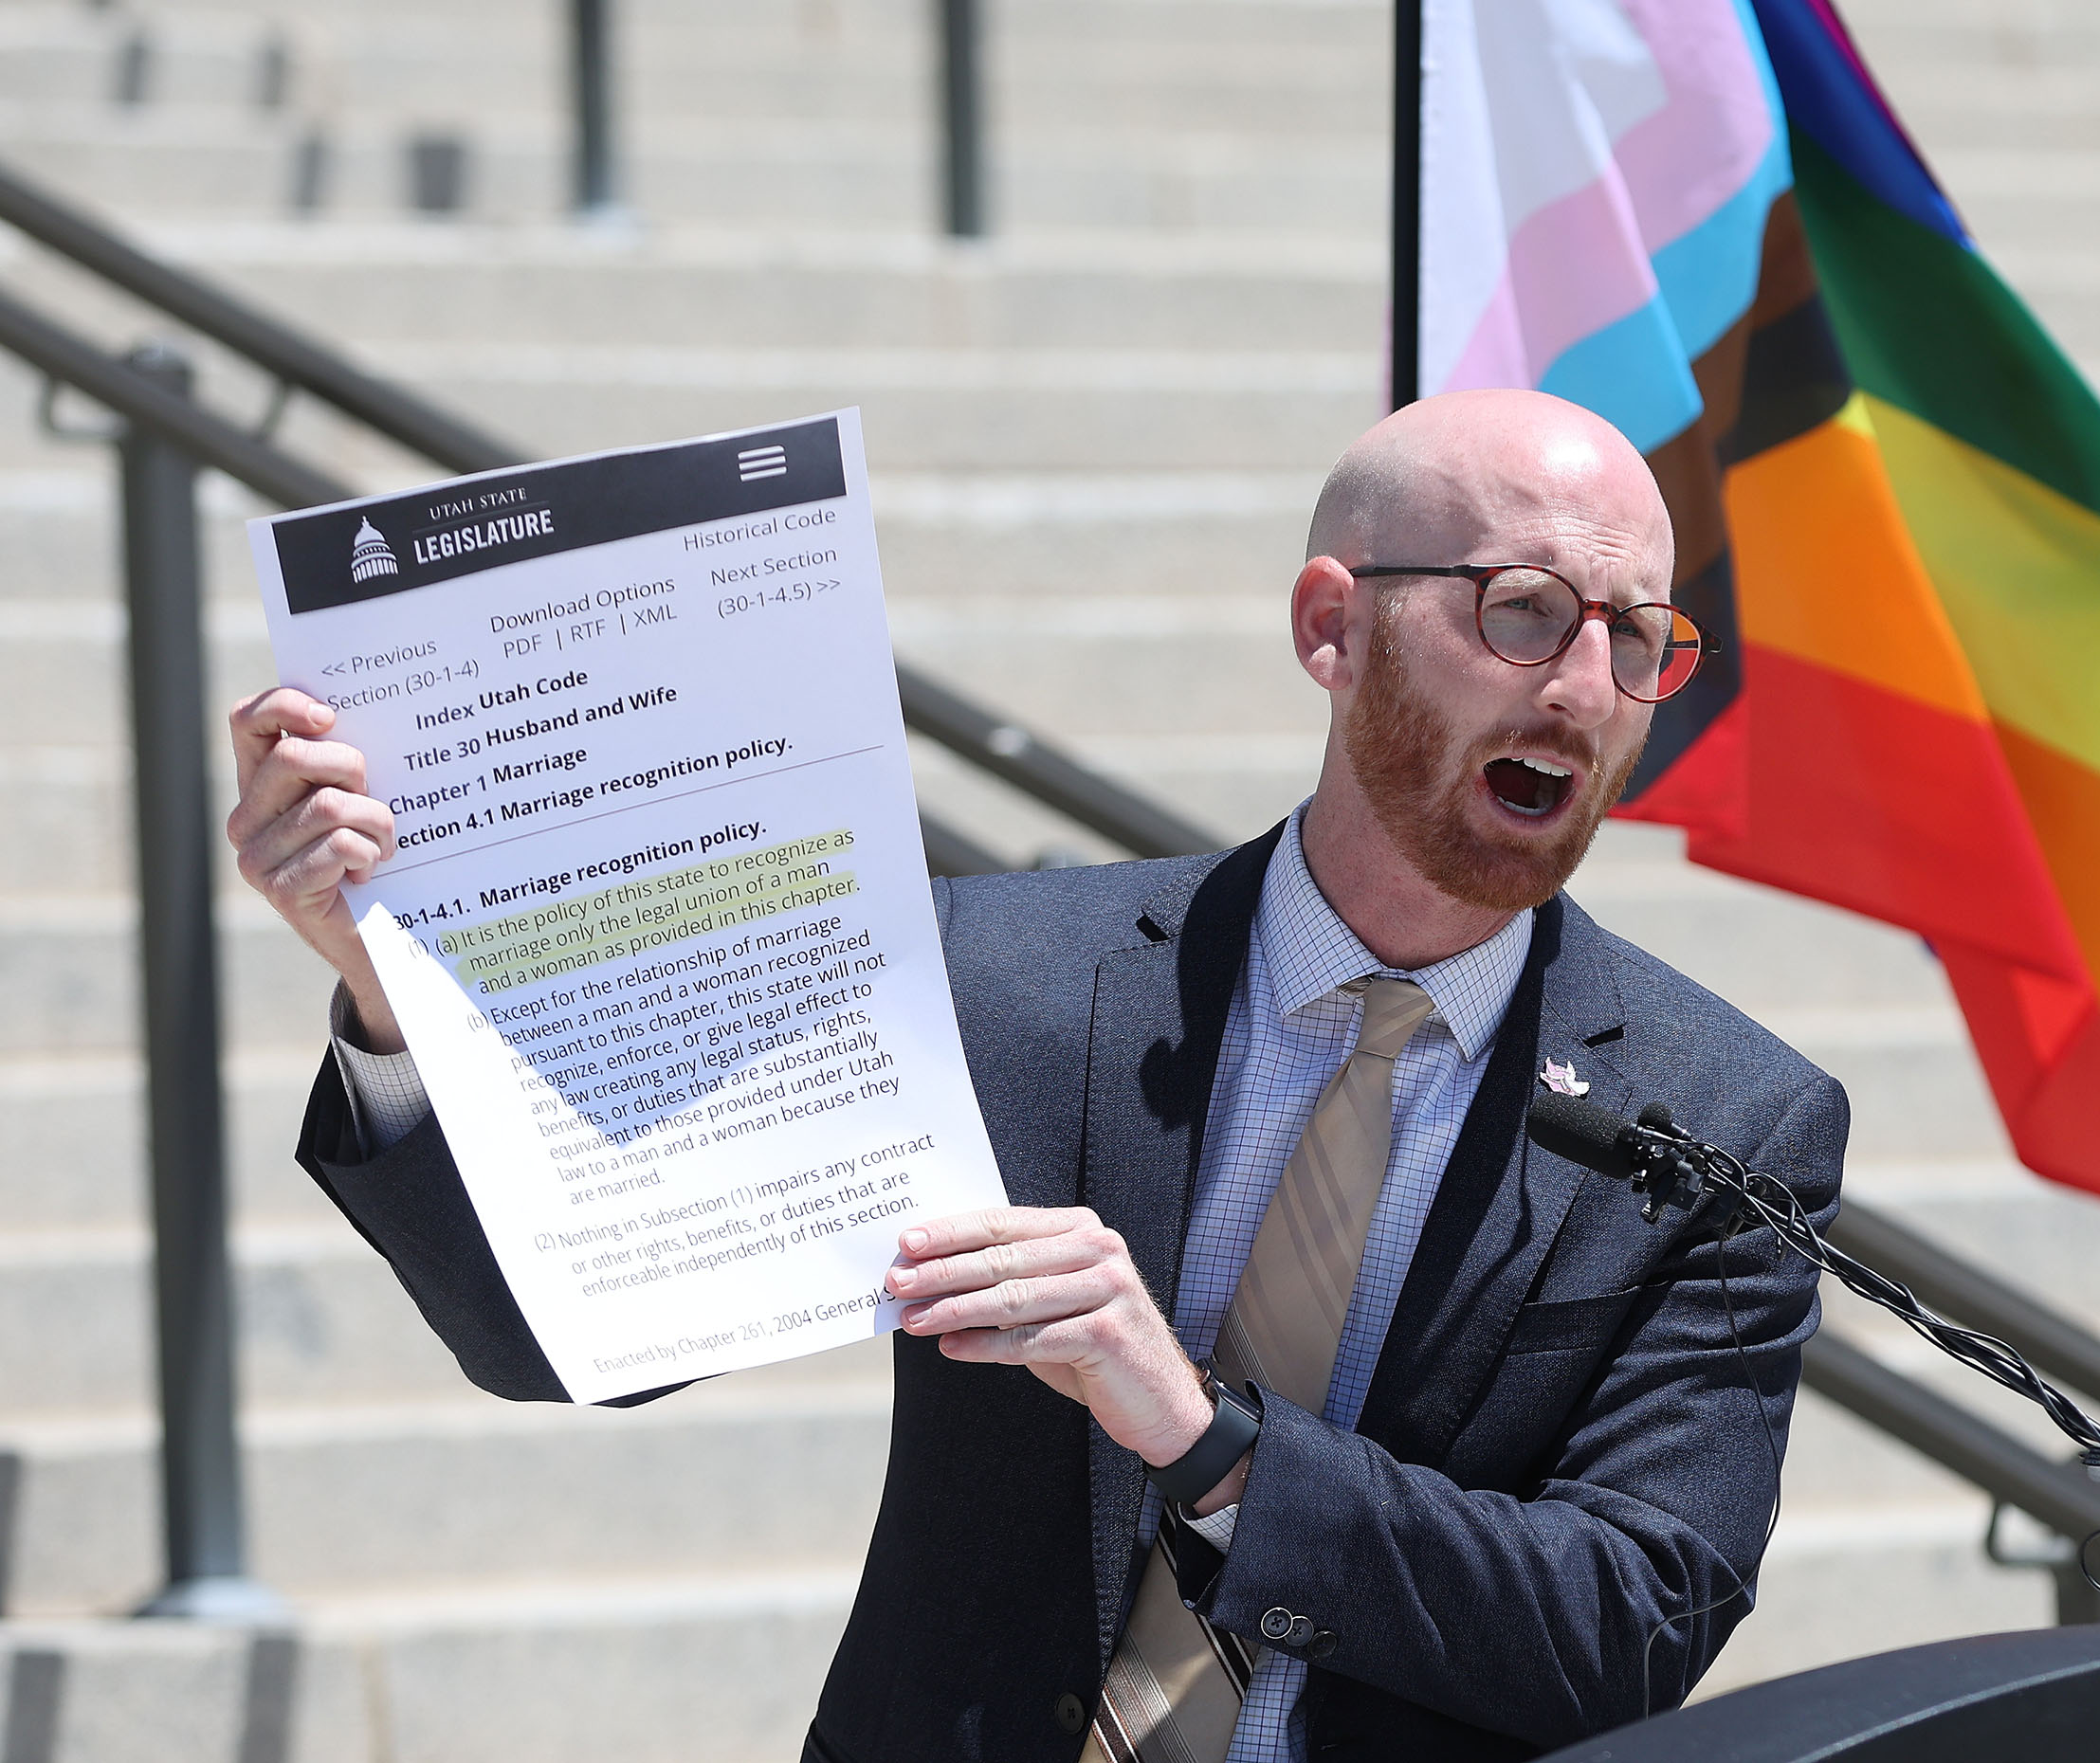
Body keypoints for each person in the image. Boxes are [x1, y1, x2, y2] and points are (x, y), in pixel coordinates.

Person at [228, 388, 1848, 1763]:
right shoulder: (996, 979)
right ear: (1330, 627)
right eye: (1523, 613)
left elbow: (1627, 1624)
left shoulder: (1721, 1122)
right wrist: (392, 988)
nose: (1583, 690)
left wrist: (1211, 1445)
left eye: (1640, 641)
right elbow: (568, 1340)